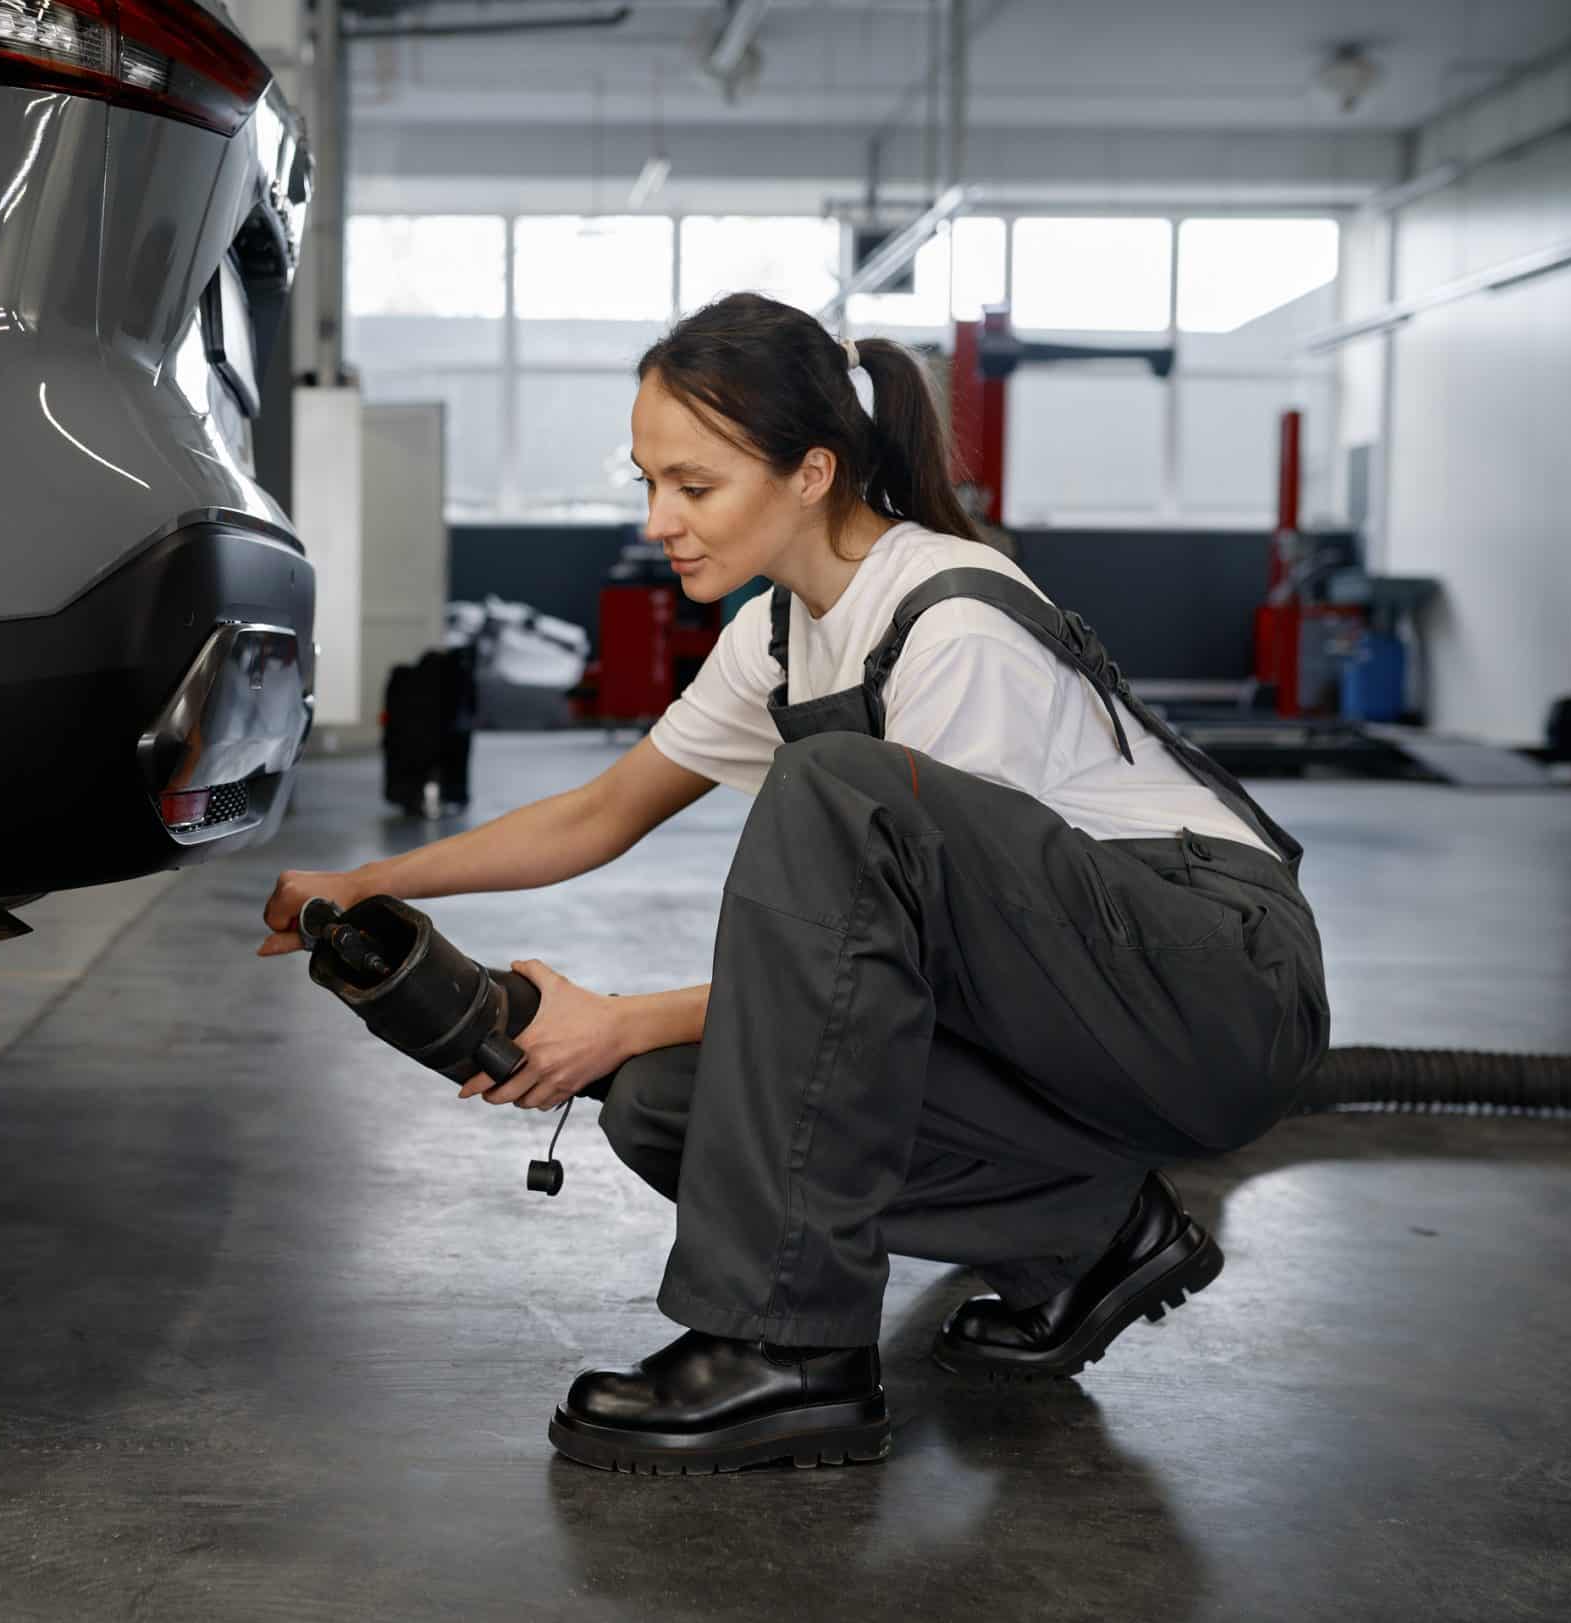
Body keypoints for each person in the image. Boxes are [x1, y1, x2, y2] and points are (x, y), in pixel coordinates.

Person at [260, 293, 1330, 1476]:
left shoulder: (950, 622)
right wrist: (370, 878)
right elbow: (599, 811)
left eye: (695, 485)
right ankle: (1090, 1233)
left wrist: (610, 1020)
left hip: (1211, 985)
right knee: (670, 1097)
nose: (662, 519)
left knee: (833, 793)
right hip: (1080, 1005)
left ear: (812, 471)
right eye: (648, 484)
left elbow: (892, 970)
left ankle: (790, 1355)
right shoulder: (779, 628)